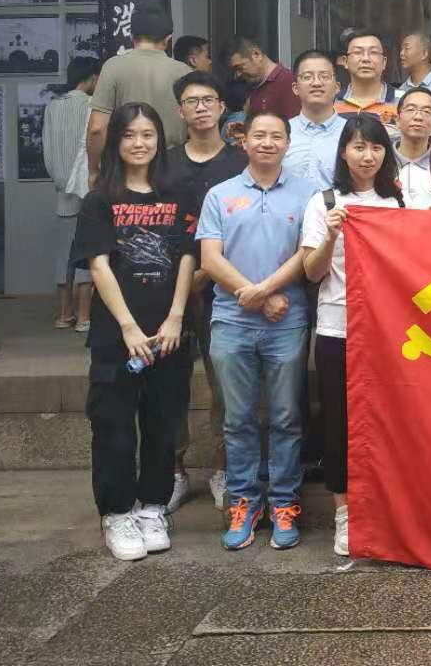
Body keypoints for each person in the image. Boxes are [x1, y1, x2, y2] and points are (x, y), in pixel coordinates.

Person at [71, 102, 197, 562]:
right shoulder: (100, 199)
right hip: (117, 336)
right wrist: (127, 327)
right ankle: (118, 512)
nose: (139, 143)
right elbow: (99, 265)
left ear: (159, 139)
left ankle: (152, 507)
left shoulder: (178, 193)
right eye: (129, 135)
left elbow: (188, 256)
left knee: (163, 425)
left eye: (148, 134)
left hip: (169, 333)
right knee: (113, 427)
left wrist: (176, 317)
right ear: (115, 142)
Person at [196, 111, 317, 552]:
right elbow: (210, 259)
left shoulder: (308, 193)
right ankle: (244, 502)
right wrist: (259, 296)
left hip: (287, 321)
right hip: (231, 319)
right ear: (243, 141)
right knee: (238, 418)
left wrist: (266, 291)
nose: (267, 143)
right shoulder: (220, 194)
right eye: (259, 135)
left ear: (288, 143)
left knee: (286, 417)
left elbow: (308, 253)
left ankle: (284, 501)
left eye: (276, 136)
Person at [300, 114, 404, 556]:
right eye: (359, 147)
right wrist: (330, 235)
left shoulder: (399, 201)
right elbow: (311, 271)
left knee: (391, 419)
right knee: (340, 422)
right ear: (343, 151)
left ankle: (385, 507)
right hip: (337, 328)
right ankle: (344, 512)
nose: (368, 156)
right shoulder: (324, 202)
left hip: (390, 332)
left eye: (376, 147)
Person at [167, 70, 249, 512]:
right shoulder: (164, 164)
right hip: (171, 292)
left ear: (221, 107)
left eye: (208, 100)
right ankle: (174, 470)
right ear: (180, 112)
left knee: (227, 386)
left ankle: (223, 468)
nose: (201, 108)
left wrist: (211, 272)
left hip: (227, 291)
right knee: (170, 384)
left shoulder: (240, 161)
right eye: (191, 102)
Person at [88, 8, 190, 182]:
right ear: (168, 39)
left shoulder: (113, 67)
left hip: (125, 169)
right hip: (172, 166)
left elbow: (97, 128)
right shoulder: (184, 72)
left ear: (132, 37)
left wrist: (94, 170)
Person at [44, 56, 100, 331]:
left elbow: (47, 147)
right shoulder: (93, 105)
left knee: (63, 255)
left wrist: (60, 178)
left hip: (62, 189)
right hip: (89, 188)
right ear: (92, 78)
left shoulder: (53, 106)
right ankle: (85, 317)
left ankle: (64, 314)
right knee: (87, 252)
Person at [282, 50, 347, 189]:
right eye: (307, 77)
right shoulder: (281, 133)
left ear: (337, 88)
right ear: (295, 88)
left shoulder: (351, 133)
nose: (316, 83)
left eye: (324, 76)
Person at [227, 36, 301, 122]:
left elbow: (294, 125)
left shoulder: (287, 81)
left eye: (240, 67)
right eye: (235, 70)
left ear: (256, 54)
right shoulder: (253, 86)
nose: (238, 74)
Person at [333, 31, 399, 127]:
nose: (365, 59)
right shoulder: (332, 102)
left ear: (384, 62)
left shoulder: (404, 100)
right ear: (345, 61)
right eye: (357, 52)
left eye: (373, 52)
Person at [393, 87, 431, 200]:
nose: (418, 117)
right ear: (397, 120)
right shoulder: (380, 161)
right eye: (410, 109)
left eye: (426, 111)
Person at [395, 30, 431, 97]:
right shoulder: (401, 90)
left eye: (407, 48)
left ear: (424, 54)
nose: (401, 53)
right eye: (401, 49)